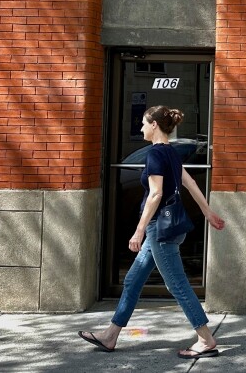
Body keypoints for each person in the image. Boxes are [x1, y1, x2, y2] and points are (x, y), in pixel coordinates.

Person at [79, 105, 226, 359]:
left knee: (177, 285)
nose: (141, 128)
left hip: (160, 229)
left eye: (144, 123)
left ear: (155, 125)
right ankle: (111, 335)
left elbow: (156, 194)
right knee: (133, 280)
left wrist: (138, 231)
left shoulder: (156, 155)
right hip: (167, 227)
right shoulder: (170, 152)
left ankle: (205, 339)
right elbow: (189, 183)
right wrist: (207, 212)